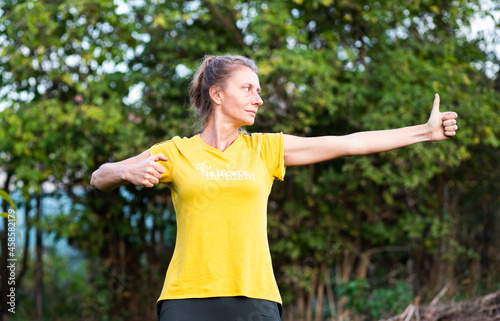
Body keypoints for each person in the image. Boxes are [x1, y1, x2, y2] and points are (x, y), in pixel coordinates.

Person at [90, 54, 458, 321]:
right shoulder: (176, 152)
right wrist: (127, 173)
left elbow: (348, 142)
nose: (258, 98)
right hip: (187, 297)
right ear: (217, 95)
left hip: (255, 297)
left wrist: (424, 132)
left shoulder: (265, 149)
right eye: (248, 88)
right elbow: (99, 176)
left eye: (259, 90)